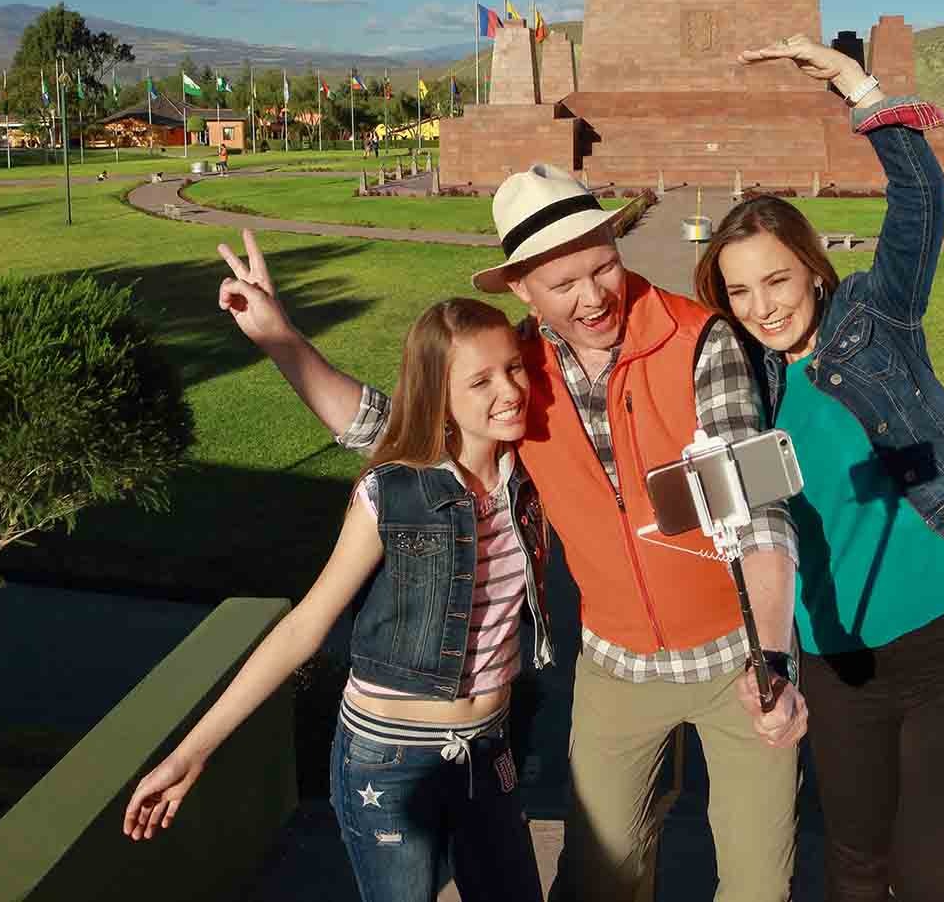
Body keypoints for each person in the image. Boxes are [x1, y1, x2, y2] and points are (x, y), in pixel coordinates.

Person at [212, 175, 806, 900]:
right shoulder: (522, 376)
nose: (594, 297)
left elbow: (758, 508)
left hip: (737, 656)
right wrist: (279, 339)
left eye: (604, 266)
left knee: (758, 887)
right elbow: (387, 426)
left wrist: (772, 653)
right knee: (597, 883)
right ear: (522, 288)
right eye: (563, 283)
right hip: (619, 665)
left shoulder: (699, 340)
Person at [693, 34, 944, 902]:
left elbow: (921, 199)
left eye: (778, 281)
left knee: (928, 873)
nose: (763, 308)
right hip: (837, 661)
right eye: (740, 293)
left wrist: (859, 89)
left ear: (813, 270)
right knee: (858, 866)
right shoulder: (742, 381)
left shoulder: (874, 318)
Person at [123, 295, 550, 902]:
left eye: (513, 367)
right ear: (439, 396)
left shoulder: (533, 477)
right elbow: (306, 625)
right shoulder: (394, 492)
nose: (509, 390)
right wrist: (192, 752)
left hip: (489, 747)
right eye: (479, 380)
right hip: (388, 761)